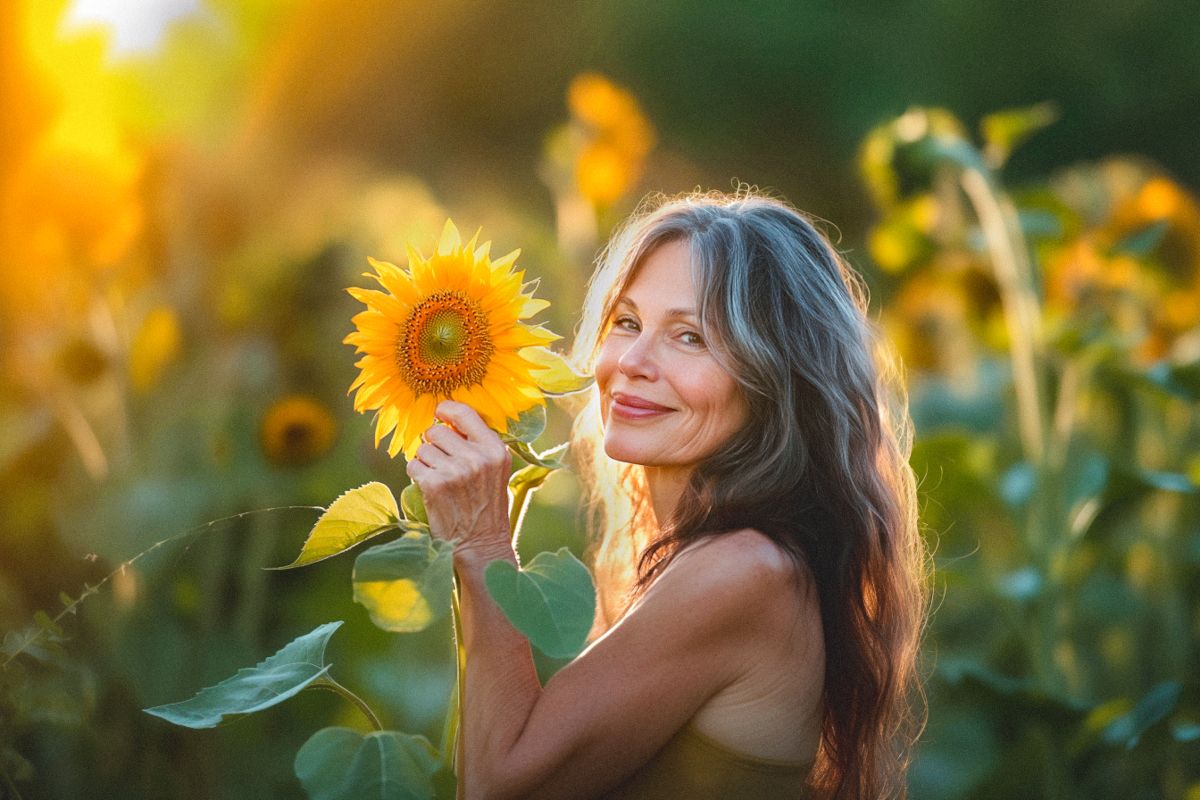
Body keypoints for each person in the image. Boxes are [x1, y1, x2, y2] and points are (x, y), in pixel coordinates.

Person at [406, 190, 930, 799]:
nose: (631, 359)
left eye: (690, 338)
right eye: (626, 322)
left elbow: (503, 786)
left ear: (775, 379)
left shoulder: (745, 572)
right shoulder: (684, 554)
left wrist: (481, 542)